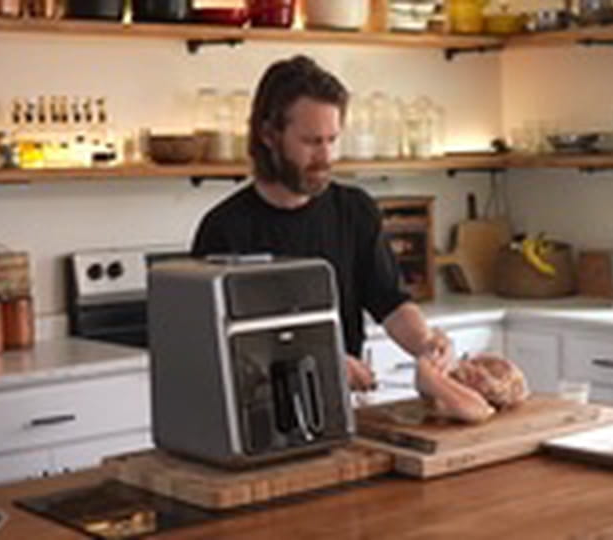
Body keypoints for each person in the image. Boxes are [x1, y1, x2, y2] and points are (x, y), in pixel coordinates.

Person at [191, 55, 451, 391]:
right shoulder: (225, 228)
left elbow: (391, 302)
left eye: (332, 140)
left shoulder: (355, 210)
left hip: (343, 404)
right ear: (269, 135)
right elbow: (219, 346)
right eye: (312, 142)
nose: (326, 157)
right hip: (258, 413)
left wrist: (427, 345)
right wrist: (319, 362)